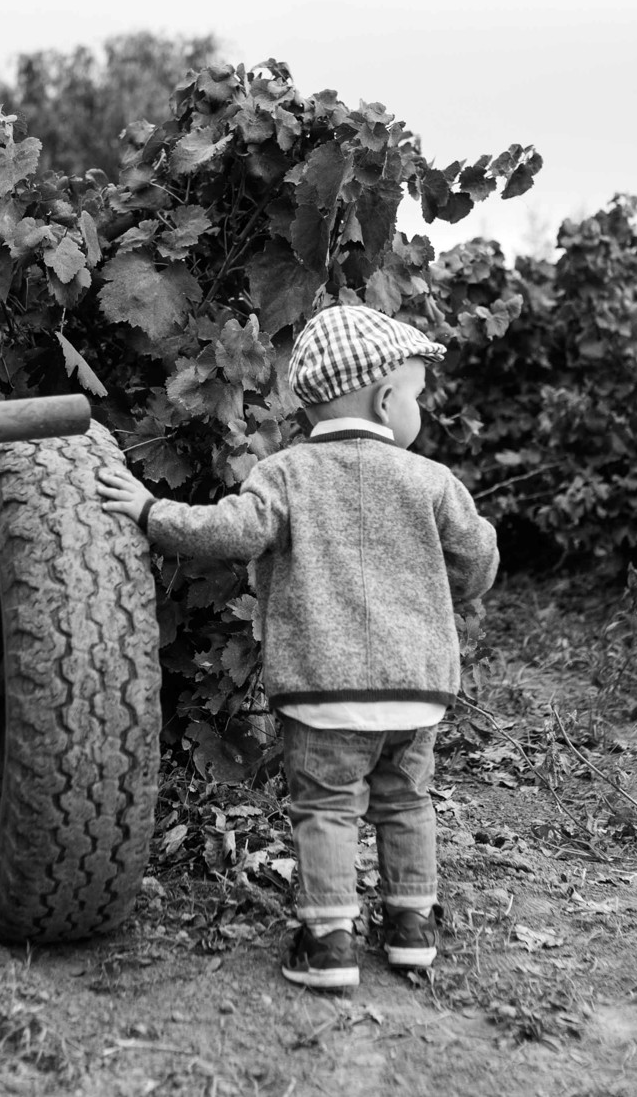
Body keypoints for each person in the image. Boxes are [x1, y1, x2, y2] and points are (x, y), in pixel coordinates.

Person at [95, 305, 500, 990]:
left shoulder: (285, 475)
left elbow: (227, 532)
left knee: (328, 807)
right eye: (416, 395)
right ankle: (410, 928)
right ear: (383, 398)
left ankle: (330, 940)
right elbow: (477, 564)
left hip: (324, 688)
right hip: (415, 690)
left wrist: (146, 510)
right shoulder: (432, 480)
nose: (419, 410)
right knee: (407, 802)